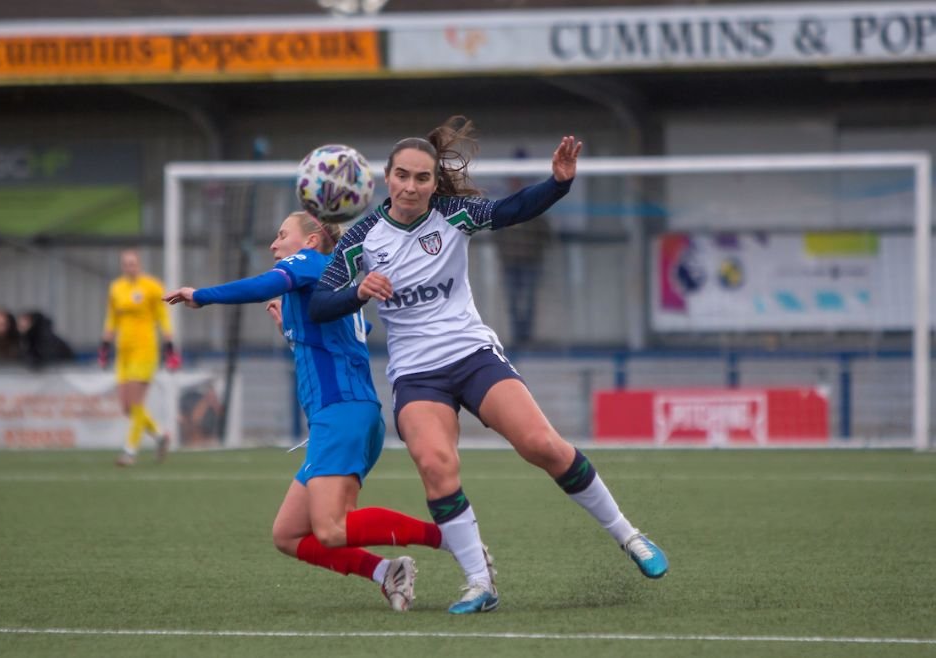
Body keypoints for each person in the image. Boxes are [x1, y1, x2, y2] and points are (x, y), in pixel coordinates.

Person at [309, 116, 668, 615]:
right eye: (403, 176)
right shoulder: (363, 238)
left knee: (542, 445)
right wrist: (357, 292)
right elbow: (320, 304)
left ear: (435, 183)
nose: (411, 186)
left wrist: (559, 184)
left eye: (422, 177)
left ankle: (629, 536)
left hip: (472, 355)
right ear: (385, 178)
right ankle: (480, 582)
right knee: (436, 466)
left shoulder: (453, 214)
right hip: (416, 374)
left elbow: (510, 209)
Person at [163, 210, 469, 613]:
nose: (273, 245)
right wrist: (289, 330)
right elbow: (337, 340)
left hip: (341, 412)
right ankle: (386, 572)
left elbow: (263, 285)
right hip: (346, 414)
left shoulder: (313, 264)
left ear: (309, 242)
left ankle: (452, 537)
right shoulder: (328, 286)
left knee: (330, 528)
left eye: (281, 234)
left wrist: (201, 295)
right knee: (288, 534)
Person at [100, 249, 179, 467]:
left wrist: (169, 344)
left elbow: (163, 316)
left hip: (145, 350)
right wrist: (105, 345)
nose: (130, 267)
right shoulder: (116, 288)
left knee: (136, 402)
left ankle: (130, 451)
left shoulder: (152, 286)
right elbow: (111, 318)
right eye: (126, 264)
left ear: (139, 264)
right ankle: (161, 435)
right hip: (123, 351)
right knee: (126, 407)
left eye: (133, 263)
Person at [493, 151, 554, 346]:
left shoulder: (532, 204)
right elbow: (496, 232)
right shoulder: (503, 206)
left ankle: (526, 337)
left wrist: (537, 247)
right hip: (510, 260)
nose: (515, 182)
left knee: (528, 299)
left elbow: (544, 231)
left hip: (530, 260)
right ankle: (517, 336)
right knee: (512, 300)